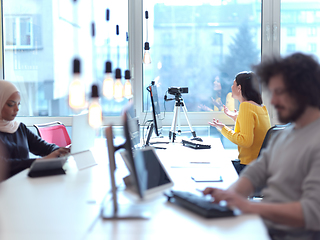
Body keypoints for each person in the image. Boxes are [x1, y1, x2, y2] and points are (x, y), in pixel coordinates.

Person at [203, 53, 320, 240]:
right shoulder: (289, 133)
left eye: (279, 92)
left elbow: (312, 212)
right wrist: (230, 194)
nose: (272, 101)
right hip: (269, 227)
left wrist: (248, 206)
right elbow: (257, 170)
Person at [0, 80, 70, 179]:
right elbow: (5, 165)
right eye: (11, 104)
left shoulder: (20, 128)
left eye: (18, 104)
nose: (17, 109)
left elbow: (45, 147)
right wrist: (41, 161)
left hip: (23, 184)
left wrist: (59, 151)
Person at [208, 71, 271, 174]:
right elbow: (254, 132)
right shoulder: (261, 107)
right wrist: (236, 118)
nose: (231, 87)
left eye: (233, 84)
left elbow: (245, 141)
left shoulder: (246, 106)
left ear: (239, 88)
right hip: (260, 167)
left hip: (248, 168)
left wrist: (222, 128)